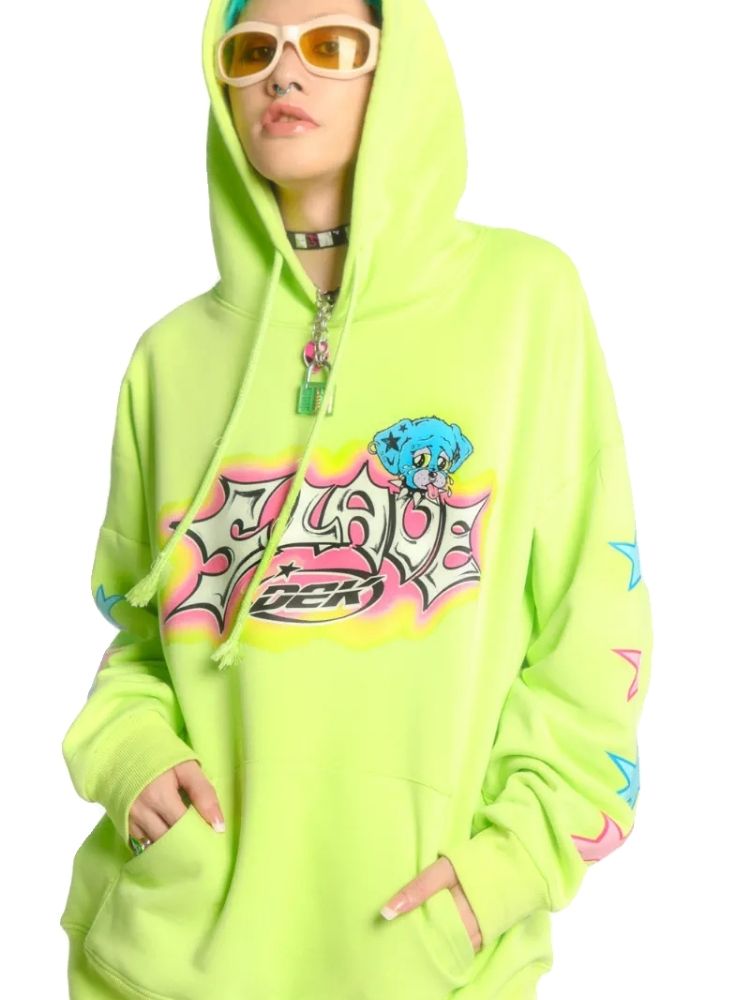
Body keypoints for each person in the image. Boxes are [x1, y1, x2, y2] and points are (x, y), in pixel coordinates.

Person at [58, 0, 653, 997]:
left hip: (425, 953)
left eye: (332, 46)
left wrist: (507, 868)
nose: (284, 75)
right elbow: (141, 638)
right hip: (173, 957)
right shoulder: (170, 359)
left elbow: (596, 630)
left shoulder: (524, 303)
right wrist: (130, 756)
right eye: (251, 51)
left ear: (401, 73)